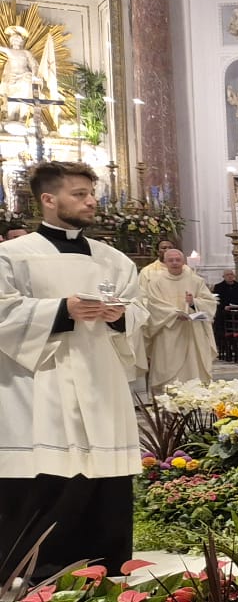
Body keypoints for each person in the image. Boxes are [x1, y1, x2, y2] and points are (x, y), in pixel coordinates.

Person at [0, 163, 144, 578]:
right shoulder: (13, 256)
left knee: (104, 474)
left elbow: (139, 311)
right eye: (79, 194)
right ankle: (35, 570)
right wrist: (63, 310)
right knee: (47, 473)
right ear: (48, 199)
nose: (91, 201)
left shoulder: (113, 259)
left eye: (91, 193)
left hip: (100, 378)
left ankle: (105, 564)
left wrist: (120, 316)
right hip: (39, 380)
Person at [139, 246, 219, 391]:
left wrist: (194, 302)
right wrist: (174, 313)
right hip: (167, 330)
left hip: (192, 330)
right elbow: (154, 304)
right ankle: (167, 394)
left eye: (178, 260)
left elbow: (210, 302)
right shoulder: (155, 281)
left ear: (183, 261)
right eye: (171, 260)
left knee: (192, 364)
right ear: (165, 262)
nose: (174, 263)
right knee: (167, 365)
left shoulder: (195, 280)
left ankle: (194, 393)